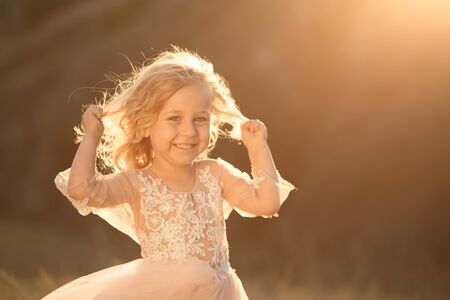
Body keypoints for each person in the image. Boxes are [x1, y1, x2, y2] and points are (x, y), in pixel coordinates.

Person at [44, 47, 295, 300]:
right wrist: (92, 136)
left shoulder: (215, 174)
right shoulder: (138, 182)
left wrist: (258, 148)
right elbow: (82, 191)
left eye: (200, 119)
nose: (189, 131)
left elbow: (267, 203)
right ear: (145, 125)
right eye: (174, 118)